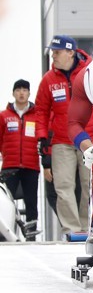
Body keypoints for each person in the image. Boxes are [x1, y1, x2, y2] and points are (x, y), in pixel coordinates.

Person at [35, 35, 93, 236]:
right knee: (63, 186)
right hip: (61, 141)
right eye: (52, 52)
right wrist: (42, 139)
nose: (53, 56)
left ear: (70, 52)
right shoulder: (49, 79)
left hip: (88, 138)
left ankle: (87, 226)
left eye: (57, 52)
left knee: (89, 184)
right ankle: (71, 229)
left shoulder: (90, 73)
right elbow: (41, 111)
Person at [0, 79, 40, 240]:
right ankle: (8, 233)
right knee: (8, 202)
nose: (21, 93)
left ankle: (31, 236)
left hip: (31, 165)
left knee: (31, 202)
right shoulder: (4, 116)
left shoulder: (37, 115)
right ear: (13, 93)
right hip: (10, 166)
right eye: (18, 90)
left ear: (29, 93)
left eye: (25, 90)